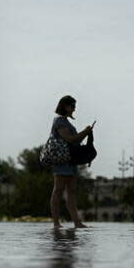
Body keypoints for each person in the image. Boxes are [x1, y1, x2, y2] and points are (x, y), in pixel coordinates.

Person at [47, 95, 92, 229]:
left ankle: (77, 222)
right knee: (58, 190)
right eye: (72, 106)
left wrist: (86, 133)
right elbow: (69, 139)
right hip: (62, 160)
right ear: (65, 106)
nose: (74, 109)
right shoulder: (60, 121)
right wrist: (85, 131)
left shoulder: (66, 122)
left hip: (70, 161)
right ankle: (56, 222)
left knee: (71, 191)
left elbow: (75, 141)